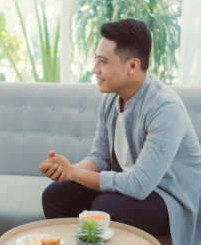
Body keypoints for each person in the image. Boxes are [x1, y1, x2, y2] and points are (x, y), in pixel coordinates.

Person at [39, 18, 201, 245]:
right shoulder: (111, 99)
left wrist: (75, 174)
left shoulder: (165, 109)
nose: (95, 70)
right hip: (129, 187)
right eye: (96, 60)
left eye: (103, 62)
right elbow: (100, 157)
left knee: (105, 207)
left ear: (133, 66)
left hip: (167, 197)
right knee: (56, 195)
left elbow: (139, 185)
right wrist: (66, 171)